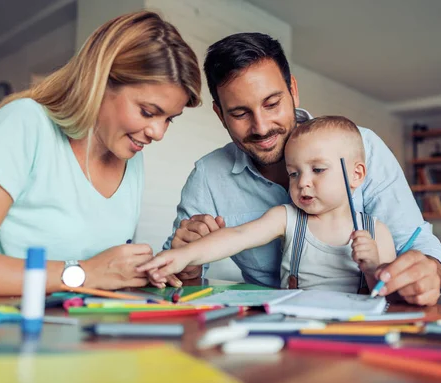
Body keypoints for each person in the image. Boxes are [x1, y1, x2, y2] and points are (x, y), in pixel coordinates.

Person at [161, 32, 441, 306]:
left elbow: (415, 242)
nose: (261, 127)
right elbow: (180, 276)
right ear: (220, 115)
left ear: (293, 92)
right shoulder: (209, 177)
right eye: (240, 113)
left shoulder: (361, 147)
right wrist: (185, 265)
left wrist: (431, 269)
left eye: (272, 104)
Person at [0, 11, 201, 296]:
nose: (158, 133)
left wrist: (165, 265)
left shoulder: (129, 154)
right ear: (101, 81)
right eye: (147, 112)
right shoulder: (23, 123)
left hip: (81, 333)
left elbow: (104, 271)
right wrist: (83, 273)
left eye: (169, 118)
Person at [139, 116, 397, 293]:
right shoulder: (286, 217)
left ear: (357, 174)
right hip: (297, 325)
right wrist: (182, 255)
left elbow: (390, 294)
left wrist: (374, 267)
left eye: (318, 169)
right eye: (294, 173)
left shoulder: (378, 232)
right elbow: (236, 236)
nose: (303, 182)